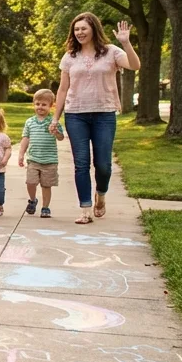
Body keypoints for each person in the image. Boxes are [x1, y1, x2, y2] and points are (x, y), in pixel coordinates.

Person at [52, 12, 141, 224]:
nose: (80, 32)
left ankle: (100, 195)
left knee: (103, 164)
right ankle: (85, 209)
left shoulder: (111, 52)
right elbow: (63, 89)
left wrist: (126, 42)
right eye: (76, 29)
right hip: (76, 115)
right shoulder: (69, 57)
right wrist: (56, 118)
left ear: (93, 29)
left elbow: (135, 65)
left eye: (83, 28)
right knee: (81, 164)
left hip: (104, 113)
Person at [18, 88, 64, 218]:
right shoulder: (30, 122)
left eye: (44, 104)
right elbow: (25, 138)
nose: (40, 107)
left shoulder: (53, 122)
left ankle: (45, 207)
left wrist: (56, 132)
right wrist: (21, 154)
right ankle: (32, 200)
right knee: (30, 182)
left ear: (51, 106)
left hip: (50, 160)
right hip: (33, 159)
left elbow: (61, 138)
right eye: (37, 104)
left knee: (46, 185)